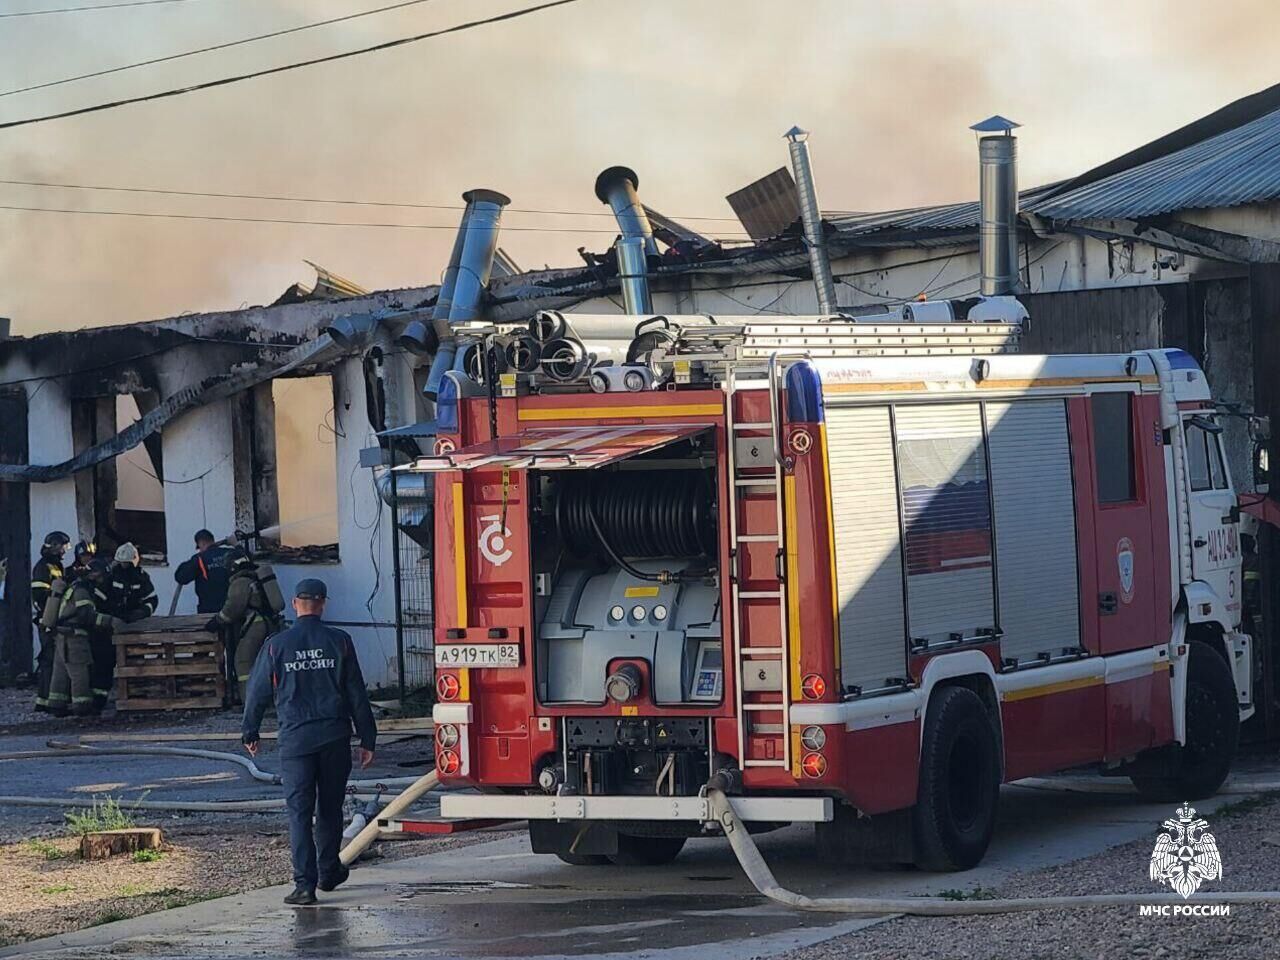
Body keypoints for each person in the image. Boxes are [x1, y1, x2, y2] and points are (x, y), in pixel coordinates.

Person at [242, 578, 377, 906]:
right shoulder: (340, 642)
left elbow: (258, 691)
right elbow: (356, 693)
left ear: (295, 603)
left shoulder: (277, 644)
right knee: (329, 808)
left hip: (296, 741)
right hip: (334, 737)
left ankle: (305, 886)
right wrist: (368, 738)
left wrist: (250, 732)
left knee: (299, 813)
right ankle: (329, 871)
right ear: (323, 604)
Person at [48, 558, 121, 717]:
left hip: (61, 635)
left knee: (60, 671)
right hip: (75, 636)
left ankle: (56, 704)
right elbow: (85, 615)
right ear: (95, 575)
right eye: (102, 577)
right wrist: (110, 621)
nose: (103, 581)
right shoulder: (83, 590)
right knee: (80, 671)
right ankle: (82, 706)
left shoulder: (74, 585)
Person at [208, 551, 280, 701]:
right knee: (266, 663)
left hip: (255, 626)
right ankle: (272, 699)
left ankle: (250, 702)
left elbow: (234, 607)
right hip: (271, 624)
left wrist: (217, 621)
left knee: (243, 662)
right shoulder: (255, 576)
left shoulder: (241, 581)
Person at [30, 530, 71, 712]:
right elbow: (40, 595)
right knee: (49, 660)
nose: (65, 551)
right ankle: (45, 701)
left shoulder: (55, 566)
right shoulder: (43, 567)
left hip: (54, 619)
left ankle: (50, 700)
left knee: (55, 660)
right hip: (47, 621)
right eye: (63, 546)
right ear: (55, 546)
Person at [174, 529, 233, 614]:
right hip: (233, 609)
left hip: (209, 612)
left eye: (199, 547)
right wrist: (236, 545)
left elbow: (181, 577)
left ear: (201, 543)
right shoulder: (230, 553)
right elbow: (248, 562)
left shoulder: (199, 559)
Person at [109, 543, 158, 623]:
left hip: (136, 621)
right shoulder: (112, 575)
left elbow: (152, 600)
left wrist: (142, 612)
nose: (123, 564)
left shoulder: (141, 577)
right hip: (113, 620)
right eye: (121, 562)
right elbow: (102, 598)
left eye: (126, 562)